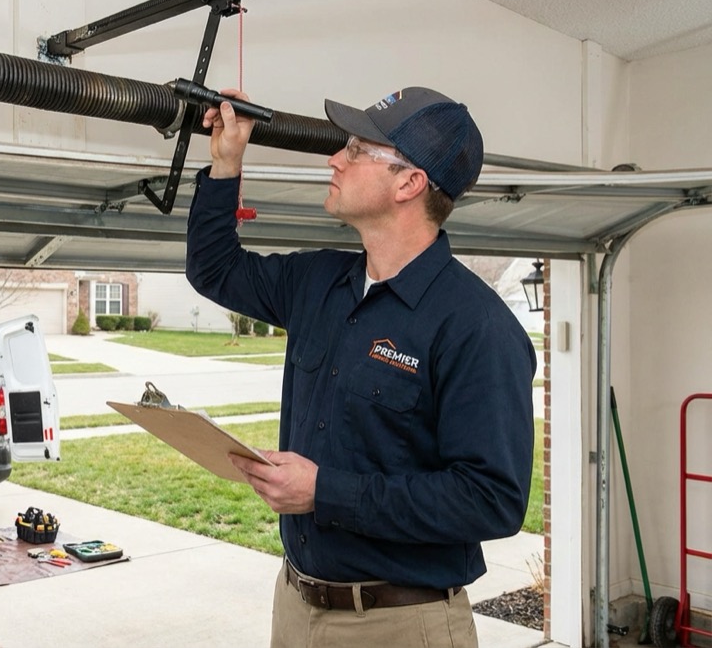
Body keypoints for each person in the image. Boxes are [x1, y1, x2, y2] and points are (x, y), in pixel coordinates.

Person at [185, 87, 536, 648]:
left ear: (408, 183)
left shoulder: (477, 327)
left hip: (404, 623)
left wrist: (325, 491)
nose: (334, 159)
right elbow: (215, 270)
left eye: (356, 149)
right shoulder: (318, 283)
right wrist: (226, 162)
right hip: (297, 605)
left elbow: (490, 499)